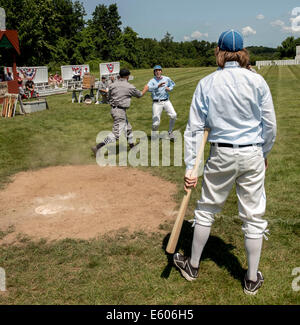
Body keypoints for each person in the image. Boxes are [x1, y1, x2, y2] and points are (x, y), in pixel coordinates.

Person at [173, 29, 277, 296]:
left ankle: (193, 266)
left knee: (207, 209)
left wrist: (190, 167)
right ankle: (251, 279)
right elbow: (270, 126)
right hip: (252, 152)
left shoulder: (207, 83)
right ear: (242, 53)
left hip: (221, 153)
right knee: (253, 216)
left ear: (220, 52)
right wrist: (263, 153)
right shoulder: (258, 82)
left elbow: (194, 129)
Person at [91, 69, 148, 155]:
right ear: (127, 76)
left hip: (114, 110)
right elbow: (139, 95)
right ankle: (98, 147)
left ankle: (132, 147)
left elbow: (108, 97)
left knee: (128, 129)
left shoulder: (112, 85)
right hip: (120, 112)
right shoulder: (129, 86)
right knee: (116, 134)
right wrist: (145, 89)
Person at [143, 65, 177, 139]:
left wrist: (169, 88)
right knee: (156, 123)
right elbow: (147, 88)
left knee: (174, 115)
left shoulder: (166, 78)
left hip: (166, 101)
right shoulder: (152, 81)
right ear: (154, 72)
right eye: (156, 70)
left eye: (159, 70)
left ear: (161, 71)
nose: (158, 72)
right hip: (157, 103)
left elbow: (172, 84)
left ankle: (170, 132)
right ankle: (154, 135)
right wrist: (157, 86)